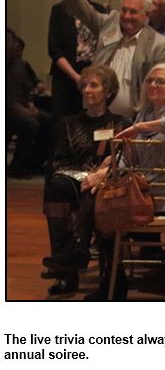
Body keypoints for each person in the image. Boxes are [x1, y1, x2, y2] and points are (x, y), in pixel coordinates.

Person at [84, 62, 165, 300]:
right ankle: (110, 277)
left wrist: (138, 127)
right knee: (93, 195)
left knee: (101, 206)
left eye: (160, 81)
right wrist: (108, 171)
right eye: (150, 80)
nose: (153, 85)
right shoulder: (146, 112)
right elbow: (131, 157)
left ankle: (102, 272)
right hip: (142, 192)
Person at [41, 65, 130, 295]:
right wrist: (87, 178)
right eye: (84, 86)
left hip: (108, 184)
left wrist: (97, 179)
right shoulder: (68, 124)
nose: (87, 90)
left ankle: (78, 258)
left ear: (108, 91)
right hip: (75, 182)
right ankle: (66, 269)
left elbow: (124, 160)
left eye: (94, 85)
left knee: (98, 194)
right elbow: (59, 161)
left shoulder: (121, 125)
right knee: (56, 186)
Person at [55, 0, 165, 119]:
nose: (126, 16)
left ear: (146, 15)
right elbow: (82, 9)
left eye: (133, 12)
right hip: (98, 116)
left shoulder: (158, 44)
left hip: (135, 121)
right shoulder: (110, 24)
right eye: (124, 10)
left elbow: (161, 88)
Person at [48, 0, 107, 118]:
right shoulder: (59, 10)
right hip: (66, 75)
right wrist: (76, 77)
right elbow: (55, 49)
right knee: (63, 120)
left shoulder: (98, 9)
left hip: (91, 73)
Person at [6, 28, 52, 179]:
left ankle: (33, 163)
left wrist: (30, 104)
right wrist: (19, 108)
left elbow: (28, 86)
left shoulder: (20, 65)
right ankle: (17, 165)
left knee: (50, 121)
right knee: (31, 124)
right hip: (9, 109)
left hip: (23, 106)